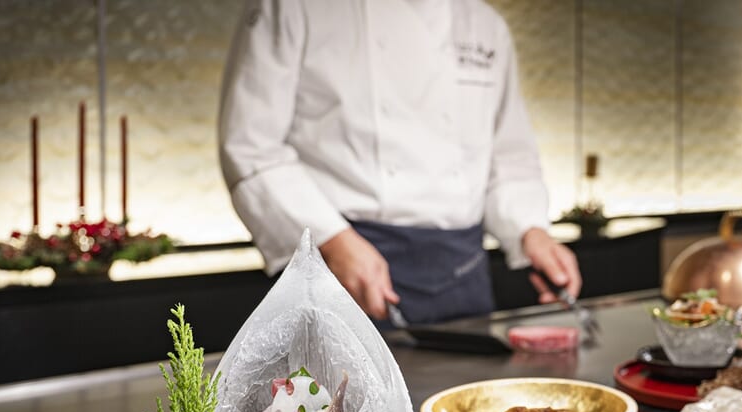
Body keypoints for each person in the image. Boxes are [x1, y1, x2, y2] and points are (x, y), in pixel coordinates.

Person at [218, 0, 581, 326]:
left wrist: (530, 231)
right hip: (345, 267)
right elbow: (251, 146)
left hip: (463, 271)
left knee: (470, 383)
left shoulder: (486, 25)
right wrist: (332, 241)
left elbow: (510, 158)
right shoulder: (293, 6)